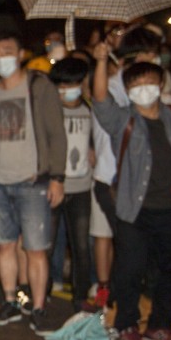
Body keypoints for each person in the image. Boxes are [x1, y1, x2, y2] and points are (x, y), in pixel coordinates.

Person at [91, 43, 171, 340]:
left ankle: (159, 324)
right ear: (128, 90)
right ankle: (127, 325)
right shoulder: (124, 121)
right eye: (136, 84)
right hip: (135, 210)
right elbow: (101, 99)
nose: (144, 88)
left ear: (160, 84)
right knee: (130, 269)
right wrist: (101, 61)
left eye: (149, 82)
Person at [0, 32, 67, 334]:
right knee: (4, 246)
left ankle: (38, 306)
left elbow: (56, 134)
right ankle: (10, 301)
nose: (1, 56)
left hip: (33, 182)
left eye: (7, 50)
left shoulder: (39, 86)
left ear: (21, 55)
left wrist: (56, 178)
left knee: (36, 249)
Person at [48, 57, 94, 310]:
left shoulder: (89, 109)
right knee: (47, 244)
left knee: (81, 246)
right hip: (55, 186)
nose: (67, 90)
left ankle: (81, 297)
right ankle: (42, 292)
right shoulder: (51, 111)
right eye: (62, 86)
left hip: (81, 187)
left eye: (72, 84)